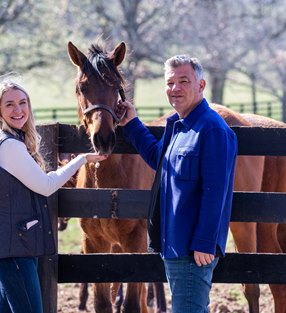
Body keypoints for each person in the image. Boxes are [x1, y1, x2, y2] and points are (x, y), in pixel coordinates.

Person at [0, 76, 107, 313]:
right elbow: (45, 185)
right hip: (13, 246)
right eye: (10, 104)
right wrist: (81, 160)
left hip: (11, 243)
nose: (18, 109)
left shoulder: (4, 140)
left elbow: (29, 177)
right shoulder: (10, 145)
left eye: (23, 102)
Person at [116, 55, 237, 312]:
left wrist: (205, 242)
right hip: (173, 246)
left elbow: (216, 191)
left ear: (201, 85)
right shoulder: (179, 126)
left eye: (184, 81)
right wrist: (132, 124)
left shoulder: (212, 129)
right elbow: (157, 159)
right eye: (170, 82)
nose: (175, 88)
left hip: (193, 250)